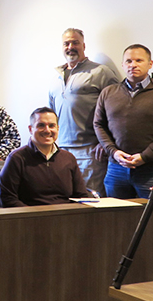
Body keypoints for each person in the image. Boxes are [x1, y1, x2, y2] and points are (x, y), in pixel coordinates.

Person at [94, 44, 153, 280]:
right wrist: (113, 152)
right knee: (116, 224)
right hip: (116, 170)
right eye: (129, 61)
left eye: (139, 61)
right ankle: (122, 276)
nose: (133, 65)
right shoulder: (108, 93)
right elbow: (98, 125)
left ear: (150, 64)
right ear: (123, 64)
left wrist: (145, 156)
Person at [48, 28, 120, 195]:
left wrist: (106, 142)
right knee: (65, 201)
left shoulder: (100, 72)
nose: (70, 46)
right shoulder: (55, 79)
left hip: (90, 153)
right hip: (60, 151)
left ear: (84, 45)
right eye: (66, 43)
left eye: (75, 42)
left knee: (92, 201)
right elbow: (52, 116)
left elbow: (116, 109)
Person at [0, 107, 87, 207]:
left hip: (66, 217)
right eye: (41, 125)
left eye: (51, 126)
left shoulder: (68, 158)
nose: (47, 130)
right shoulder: (16, 158)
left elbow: (81, 196)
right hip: (31, 218)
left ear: (57, 128)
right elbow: (8, 199)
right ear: (31, 129)